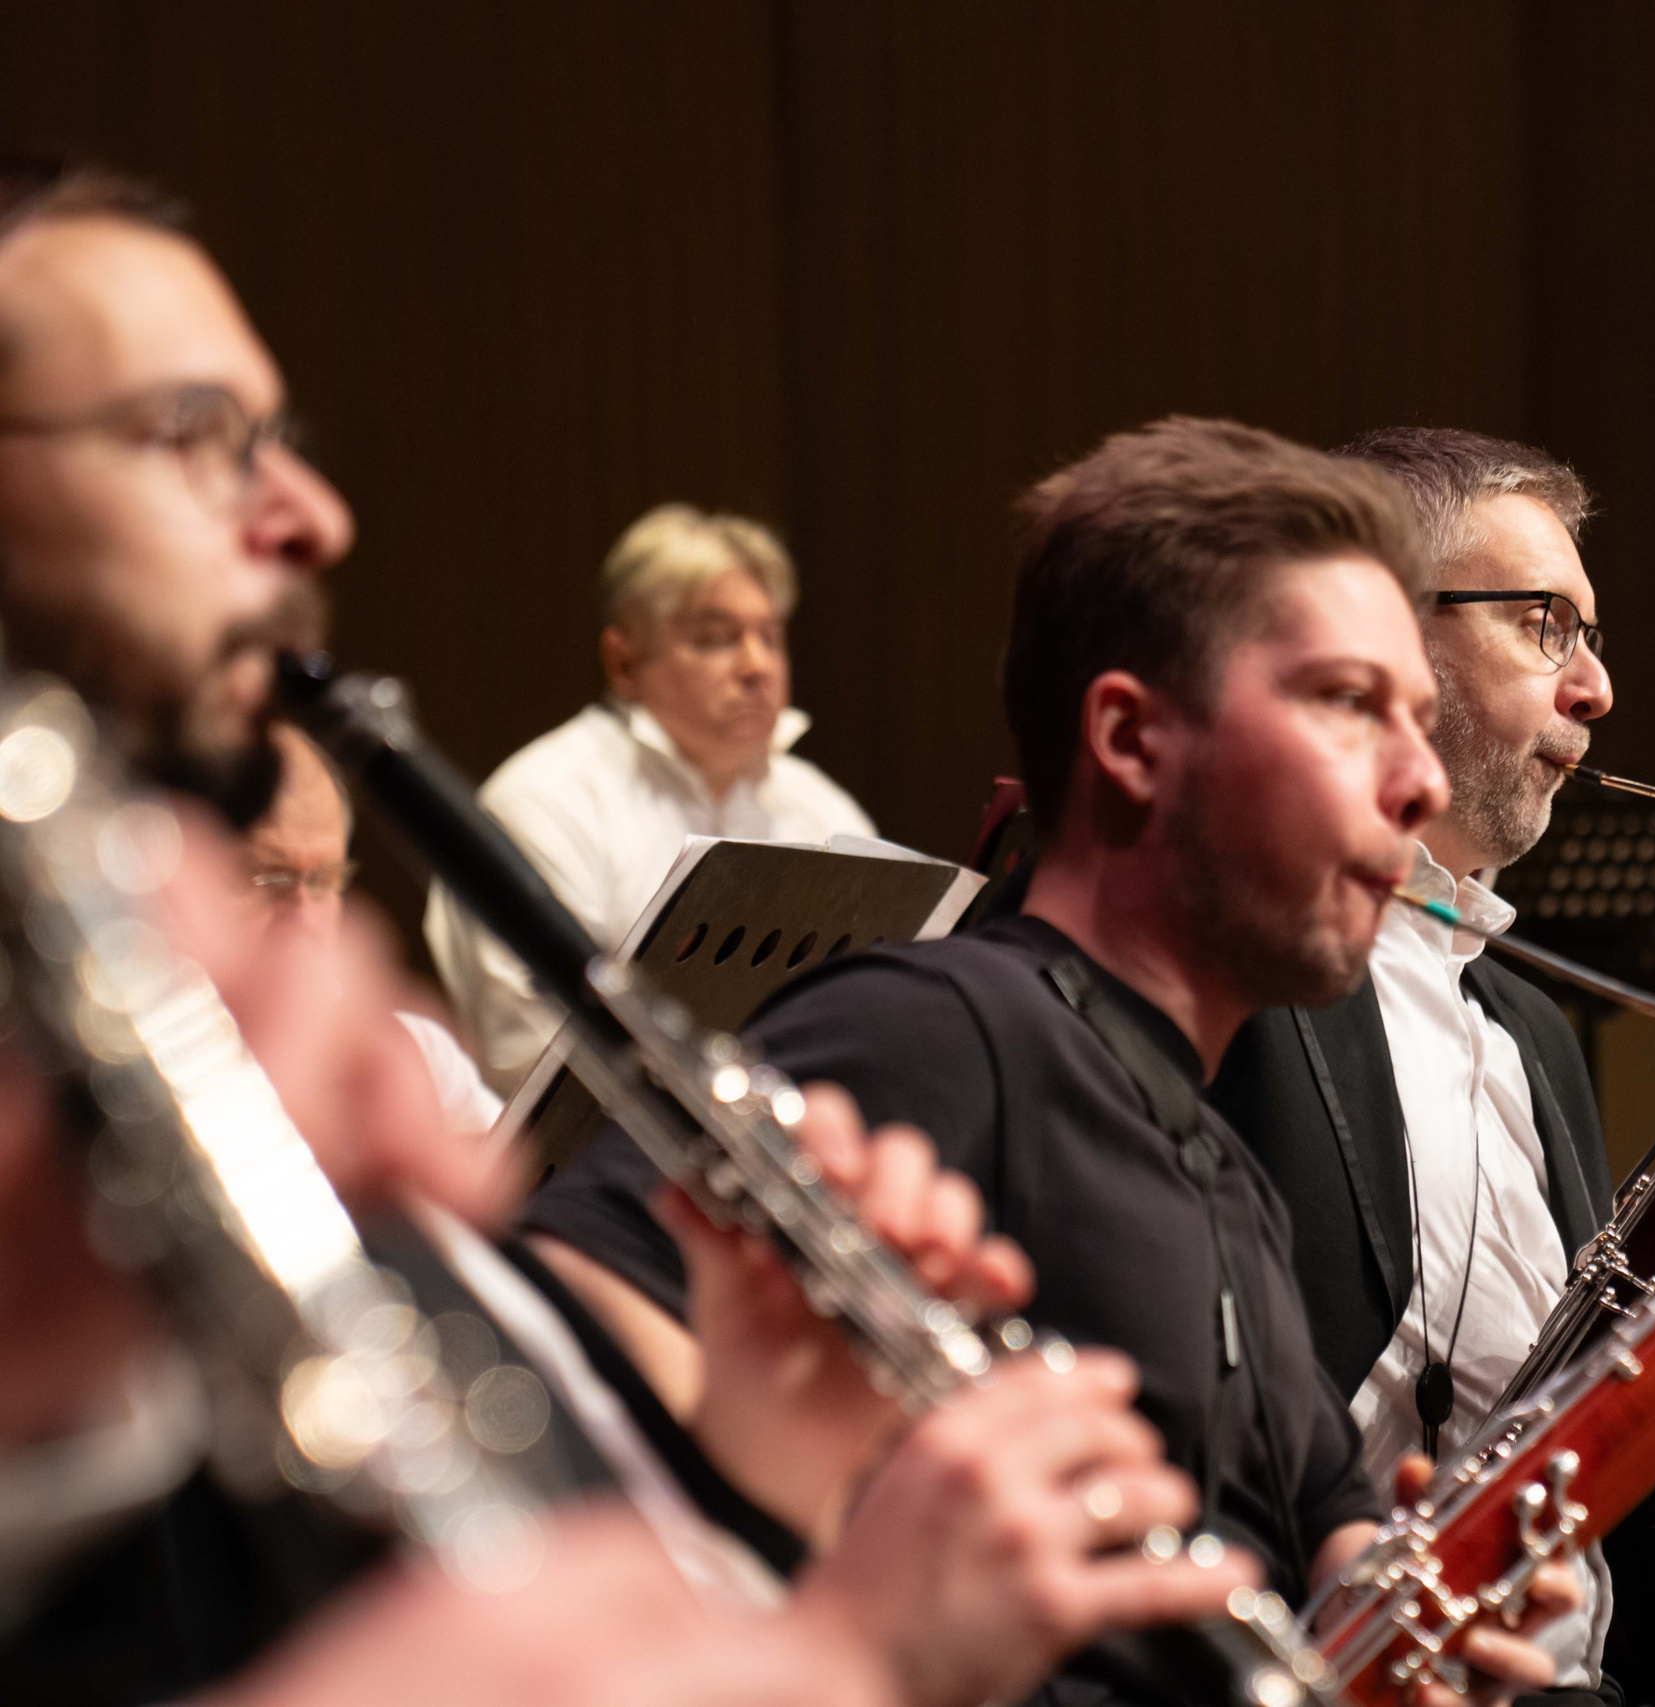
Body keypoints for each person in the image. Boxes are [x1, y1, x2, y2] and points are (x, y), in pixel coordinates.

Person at [0, 160, 1248, 1707]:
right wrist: (847, 1659)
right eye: (192, 437)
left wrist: (757, 1465)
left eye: (281, 444)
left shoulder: (137, 1023)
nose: (311, 516)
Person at [525, 414, 1583, 1705]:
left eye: (1421, 718)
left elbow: (1327, 1535)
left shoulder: (1224, 1173)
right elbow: (544, 1330)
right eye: (1350, 703)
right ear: (1135, 742)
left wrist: (1377, 1613)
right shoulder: (944, 1027)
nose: (1417, 781)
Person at [1206, 427, 1655, 1707]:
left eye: (1592, 634)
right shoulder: (1231, 981)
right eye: (1542, 624)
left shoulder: (1532, 1028)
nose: (1596, 688)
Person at [426, 502, 876, 1093]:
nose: (757, 666)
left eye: (771, 637)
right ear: (625, 662)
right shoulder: (543, 801)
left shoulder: (821, 805)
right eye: (716, 639)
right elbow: (538, 1062)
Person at [246, 720, 503, 1131]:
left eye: (322, 881)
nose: (304, 918)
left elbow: (525, 1184)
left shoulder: (417, 1056)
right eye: (270, 877)